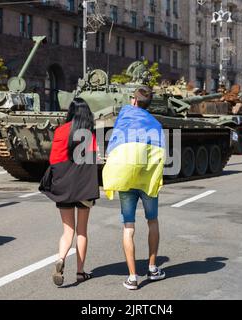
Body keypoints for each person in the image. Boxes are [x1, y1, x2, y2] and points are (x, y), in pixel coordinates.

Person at [103, 86, 166, 290]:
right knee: (152, 221)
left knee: (128, 227)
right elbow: (161, 151)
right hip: (147, 178)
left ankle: (132, 277)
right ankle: (152, 268)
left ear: (134, 101)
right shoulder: (155, 124)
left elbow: (114, 141)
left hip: (126, 176)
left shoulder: (124, 115)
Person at [40, 98, 99, 287]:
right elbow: (93, 162)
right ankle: (80, 273)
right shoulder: (89, 134)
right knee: (82, 231)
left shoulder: (61, 130)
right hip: (84, 188)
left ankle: (61, 258)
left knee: (68, 231)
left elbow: (54, 160)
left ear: (71, 112)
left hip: (63, 186)